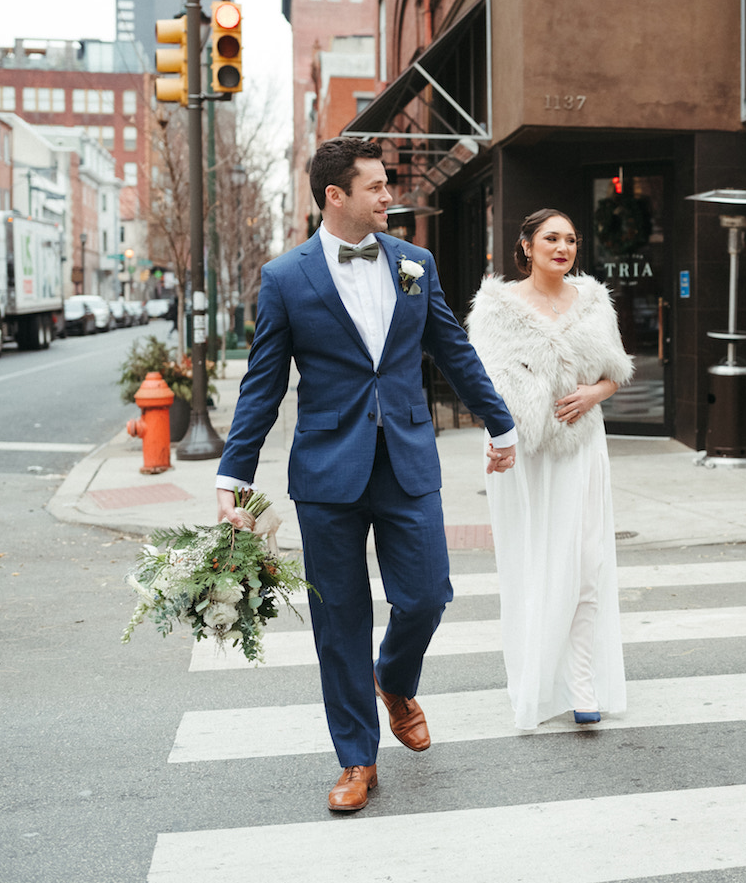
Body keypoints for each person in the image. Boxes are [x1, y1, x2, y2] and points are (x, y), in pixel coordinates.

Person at [214, 137, 517, 813]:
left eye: (388, 185)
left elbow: (454, 350)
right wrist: (232, 478)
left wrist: (501, 422)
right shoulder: (287, 278)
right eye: (376, 186)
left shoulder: (416, 263)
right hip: (326, 471)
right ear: (336, 195)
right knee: (339, 619)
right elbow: (263, 387)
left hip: (406, 458)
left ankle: (394, 678)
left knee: (428, 594)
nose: (389, 196)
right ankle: (357, 757)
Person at [467, 209, 633, 730]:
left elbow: (615, 372)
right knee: (532, 562)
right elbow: (481, 385)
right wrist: (499, 440)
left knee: (586, 564)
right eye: (551, 238)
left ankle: (582, 683)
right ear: (527, 245)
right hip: (524, 453)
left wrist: (593, 393)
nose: (562, 247)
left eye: (571, 239)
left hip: (582, 447)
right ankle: (535, 680)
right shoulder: (497, 308)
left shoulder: (593, 303)